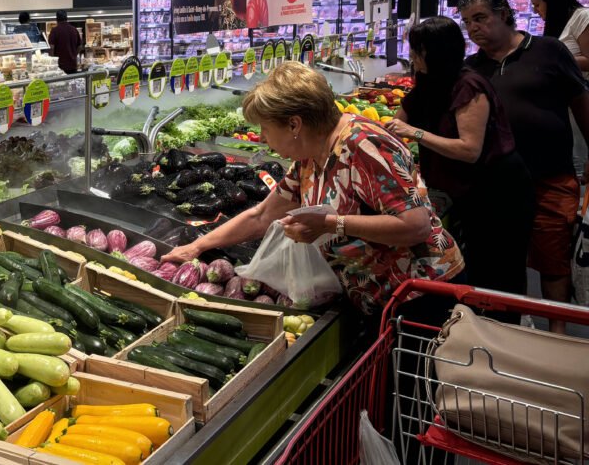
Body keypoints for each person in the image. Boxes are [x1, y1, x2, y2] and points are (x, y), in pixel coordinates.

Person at [162, 62, 464, 316]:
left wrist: (331, 224)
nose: (264, 139)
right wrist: (197, 247)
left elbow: (415, 226)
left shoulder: (364, 146)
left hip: (420, 296)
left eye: (266, 129)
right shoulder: (312, 155)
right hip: (377, 296)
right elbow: (261, 215)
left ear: (294, 125)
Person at [387, 17, 533, 321]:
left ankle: (501, 343)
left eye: (417, 50)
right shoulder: (428, 83)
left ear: (434, 52)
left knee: (497, 272)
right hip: (462, 190)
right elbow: (394, 124)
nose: (412, 56)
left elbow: (469, 150)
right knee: (473, 268)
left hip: (497, 190)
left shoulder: (469, 85)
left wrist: (413, 133)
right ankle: (472, 334)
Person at [462, 0, 589, 333]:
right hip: (497, 184)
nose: (473, 28)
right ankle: (513, 330)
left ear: (504, 13)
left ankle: (558, 334)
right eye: (467, 22)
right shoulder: (472, 68)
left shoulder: (549, 51)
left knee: (553, 259)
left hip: (550, 176)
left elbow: (580, 102)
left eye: (480, 18)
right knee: (505, 262)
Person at [530, 0, 589, 177]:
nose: (535, 11)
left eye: (538, 5)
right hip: (560, 101)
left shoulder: (582, 17)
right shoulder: (558, 24)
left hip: (581, 96)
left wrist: (556, 59)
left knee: (579, 158)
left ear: (551, 1)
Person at [47, 10, 83, 74]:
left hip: (60, 66)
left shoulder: (55, 31)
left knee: (61, 83)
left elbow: (51, 48)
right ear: (67, 18)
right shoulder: (74, 29)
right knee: (72, 83)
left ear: (56, 19)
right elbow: (80, 46)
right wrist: (74, 55)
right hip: (73, 65)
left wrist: (52, 62)